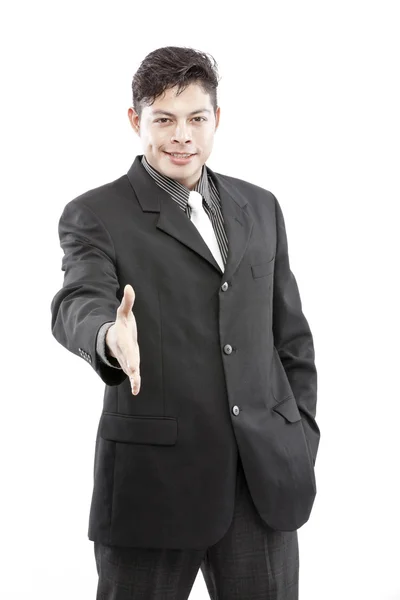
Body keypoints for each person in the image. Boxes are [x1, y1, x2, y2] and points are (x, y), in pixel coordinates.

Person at [50, 45, 320, 600]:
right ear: (135, 121)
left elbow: (289, 336)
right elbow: (78, 298)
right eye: (164, 119)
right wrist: (107, 335)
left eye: (196, 118)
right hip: (155, 487)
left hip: (261, 481)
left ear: (216, 119)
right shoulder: (96, 213)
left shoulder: (261, 206)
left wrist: (299, 435)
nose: (182, 135)